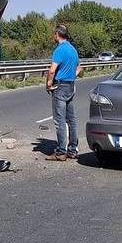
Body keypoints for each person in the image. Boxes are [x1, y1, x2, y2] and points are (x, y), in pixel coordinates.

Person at [45, 24, 83, 161]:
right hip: (71, 86)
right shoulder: (73, 49)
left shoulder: (59, 50)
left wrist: (49, 84)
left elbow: (52, 70)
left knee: (59, 120)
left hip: (60, 87)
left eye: (53, 34)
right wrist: (72, 77)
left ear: (57, 34)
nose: (53, 36)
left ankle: (61, 152)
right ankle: (73, 149)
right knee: (71, 120)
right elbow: (79, 68)